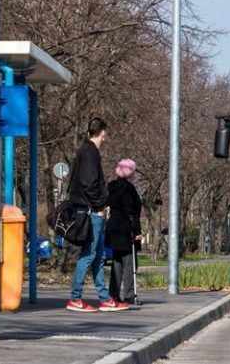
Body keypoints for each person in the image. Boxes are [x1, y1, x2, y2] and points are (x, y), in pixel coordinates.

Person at [67, 118, 129, 313]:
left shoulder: (86, 151)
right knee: (90, 254)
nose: (106, 136)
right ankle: (75, 298)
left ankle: (104, 298)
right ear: (102, 132)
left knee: (99, 255)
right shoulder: (90, 153)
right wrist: (100, 205)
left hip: (91, 209)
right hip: (91, 211)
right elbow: (89, 183)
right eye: (105, 133)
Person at [106, 159, 142, 304]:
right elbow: (131, 212)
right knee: (130, 263)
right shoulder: (128, 189)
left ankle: (113, 294)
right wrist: (137, 231)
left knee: (117, 261)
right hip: (125, 229)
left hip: (113, 228)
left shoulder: (112, 186)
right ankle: (129, 294)